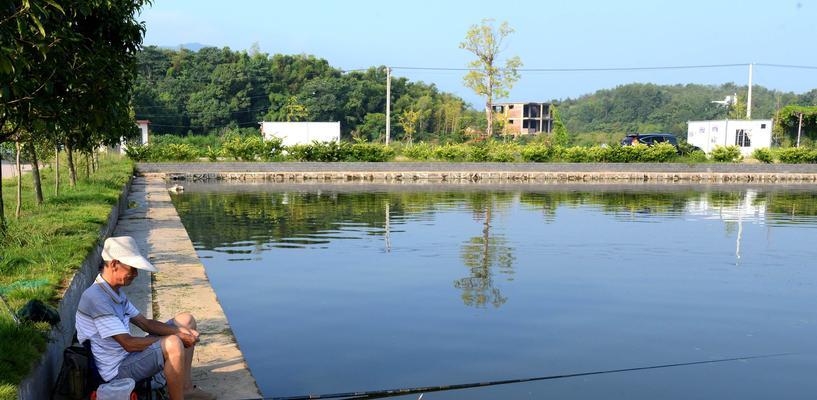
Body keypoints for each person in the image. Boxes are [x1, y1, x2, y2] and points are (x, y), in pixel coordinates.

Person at [76, 236, 215, 400]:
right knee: (173, 343)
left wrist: (181, 330)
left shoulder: (115, 292)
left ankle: (185, 388)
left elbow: (145, 323)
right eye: (132, 268)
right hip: (116, 371)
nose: (136, 274)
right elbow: (128, 344)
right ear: (114, 264)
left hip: (128, 358)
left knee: (186, 321)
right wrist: (176, 336)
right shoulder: (97, 298)